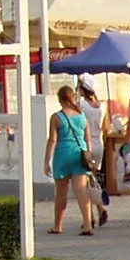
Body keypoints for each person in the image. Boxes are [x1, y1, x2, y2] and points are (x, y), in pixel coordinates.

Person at [46, 82, 95, 233]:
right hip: (80, 155)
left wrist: (47, 160)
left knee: (61, 192)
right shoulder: (82, 117)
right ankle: (87, 224)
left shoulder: (57, 117)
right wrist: (89, 157)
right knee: (81, 190)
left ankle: (58, 225)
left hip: (62, 154)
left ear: (60, 99)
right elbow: (88, 139)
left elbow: (53, 140)